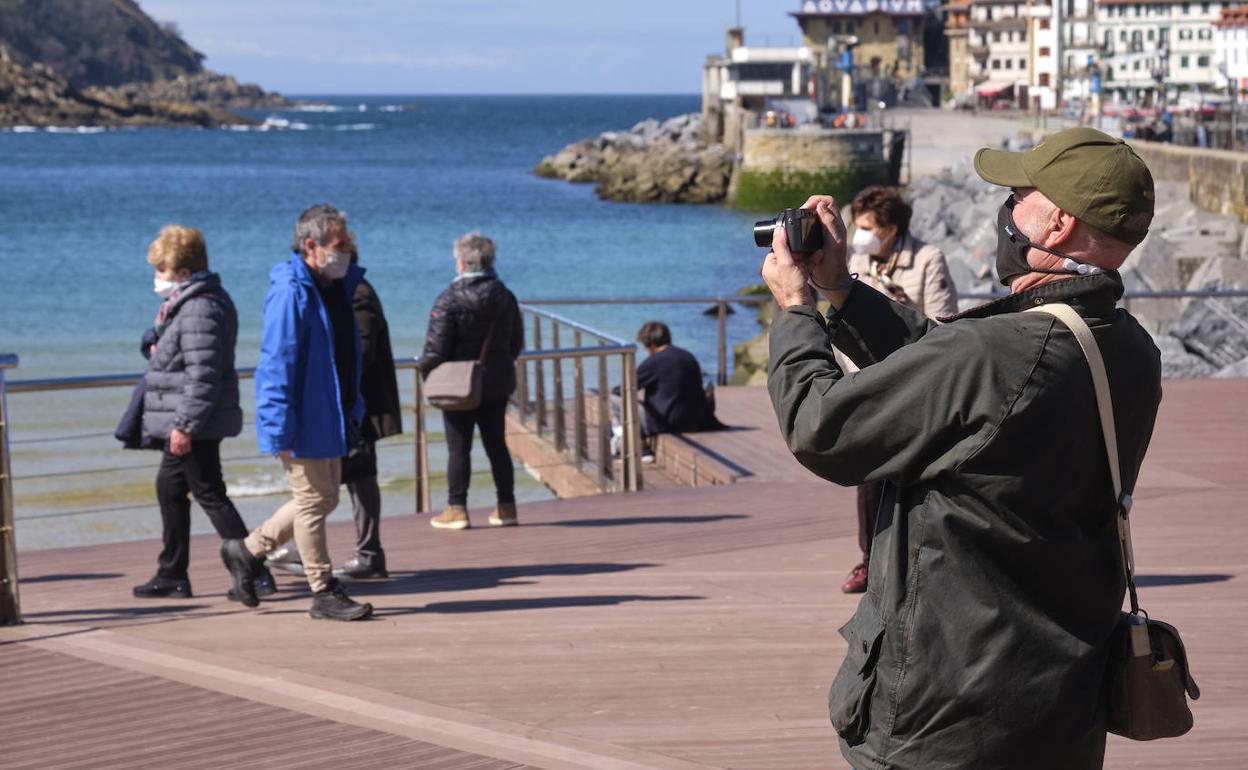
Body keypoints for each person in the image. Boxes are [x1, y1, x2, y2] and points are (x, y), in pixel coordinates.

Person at [761, 128, 1161, 769]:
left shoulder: (999, 354)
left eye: (1019, 197)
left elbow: (822, 428)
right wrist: (843, 290)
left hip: (945, 714)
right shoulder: (1128, 347)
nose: (1007, 209)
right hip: (1060, 705)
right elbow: (949, 374)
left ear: (1057, 224)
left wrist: (795, 310)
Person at [218, 204, 373, 621]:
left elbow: (344, 354)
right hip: (304, 418)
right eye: (339, 244)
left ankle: (247, 551)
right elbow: (276, 364)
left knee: (324, 497)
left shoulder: (334, 287)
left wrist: (354, 405)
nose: (347, 251)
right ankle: (323, 590)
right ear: (311, 245)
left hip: (333, 413)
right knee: (311, 502)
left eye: (348, 243)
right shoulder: (291, 292)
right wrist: (277, 430)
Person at [131, 225, 275, 600]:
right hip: (192, 417)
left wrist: (185, 425)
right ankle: (172, 572)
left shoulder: (198, 308)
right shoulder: (190, 303)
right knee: (171, 488)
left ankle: (254, 569)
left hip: (194, 420)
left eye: (160, 270)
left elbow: (203, 373)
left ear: (182, 272)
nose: (156, 278)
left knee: (209, 492)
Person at [840, 185, 960, 594]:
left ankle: (922, 560)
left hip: (915, 381)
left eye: (868, 228)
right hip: (866, 379)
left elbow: (946, 324)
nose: (860, 236)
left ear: (891, 229)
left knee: (917, 475)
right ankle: (869, 561)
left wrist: (904, 304)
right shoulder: (858, 259)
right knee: (869, 477)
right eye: (857, 227)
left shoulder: (927, 259)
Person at [419, 231, 524, 530]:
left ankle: (457, 508)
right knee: (496, 443)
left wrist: (426, 372)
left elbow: (436, 349)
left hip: (458, 384)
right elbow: (516, 342)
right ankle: (506, 506)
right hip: (497, 379)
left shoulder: (448, 299)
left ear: (462, 263)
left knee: (459, 447)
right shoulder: (505, 296)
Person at [337, 240, 402, 578]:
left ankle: (369, 553)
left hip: (359, 404)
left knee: (357, 475)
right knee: (351, 476)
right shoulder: (350, 290)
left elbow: (361, 352)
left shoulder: (357, 293)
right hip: (354, 402)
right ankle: (368, 552)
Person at [635, 321, 722, 439]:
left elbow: (625, 388)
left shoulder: (653, 361)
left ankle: (625, 442)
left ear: (650, 344)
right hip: (698, 420)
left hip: (669, 423)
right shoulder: (687, 356)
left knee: (616, 400)